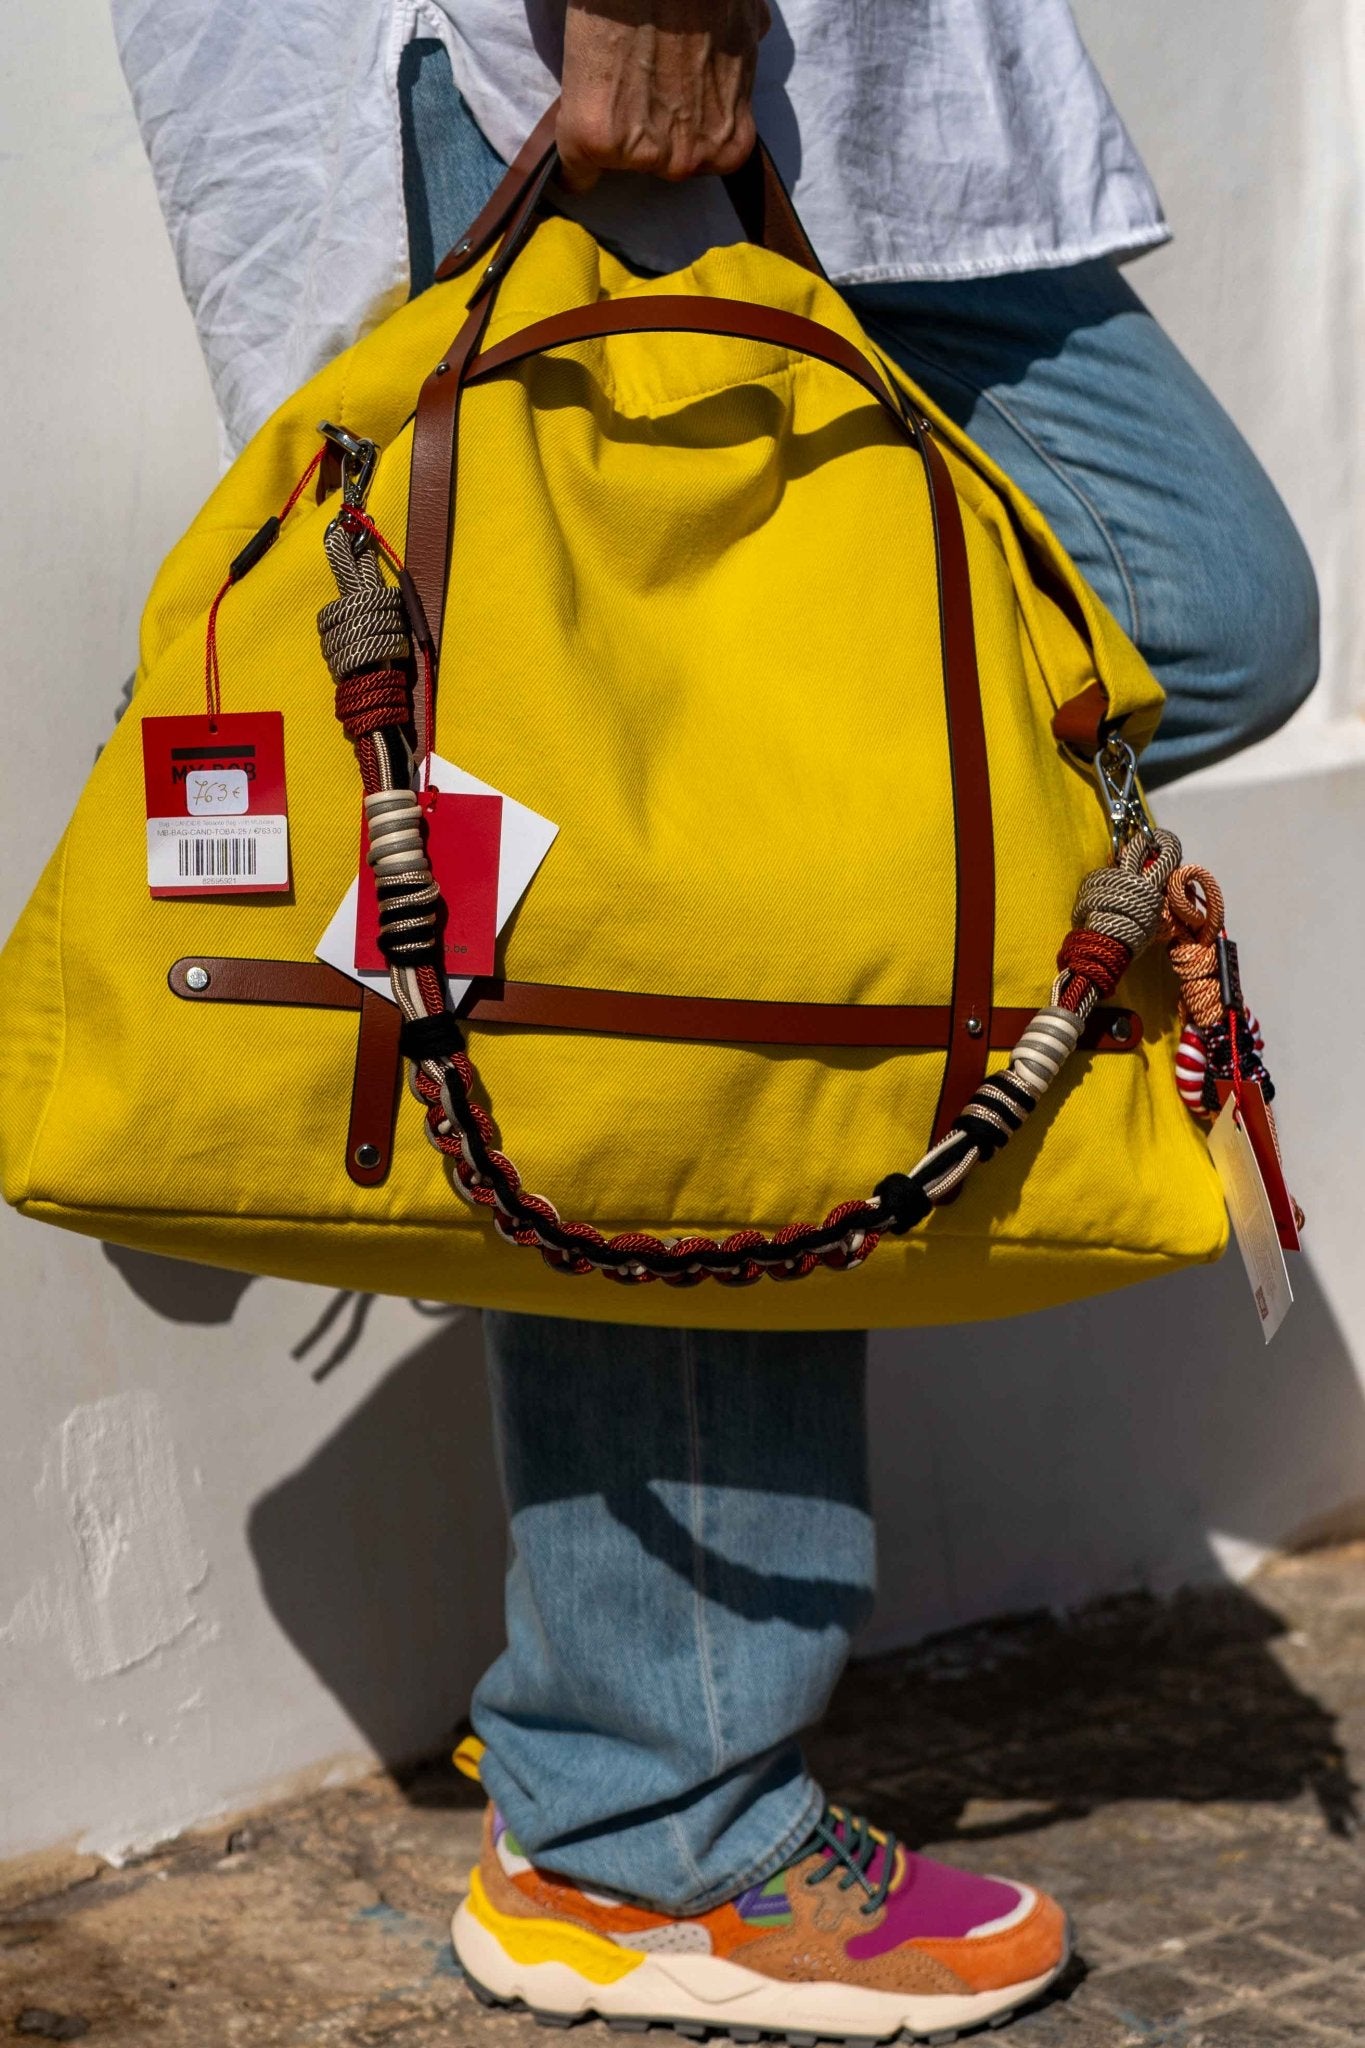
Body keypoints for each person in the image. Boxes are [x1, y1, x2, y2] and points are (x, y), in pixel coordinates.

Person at [115, 1, 1319, 2035]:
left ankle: (351, 889)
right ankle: (638, 1824)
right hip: (559, 42)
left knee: (1193, 602)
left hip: (866, 73)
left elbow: (1192, 633)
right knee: (664, 915)